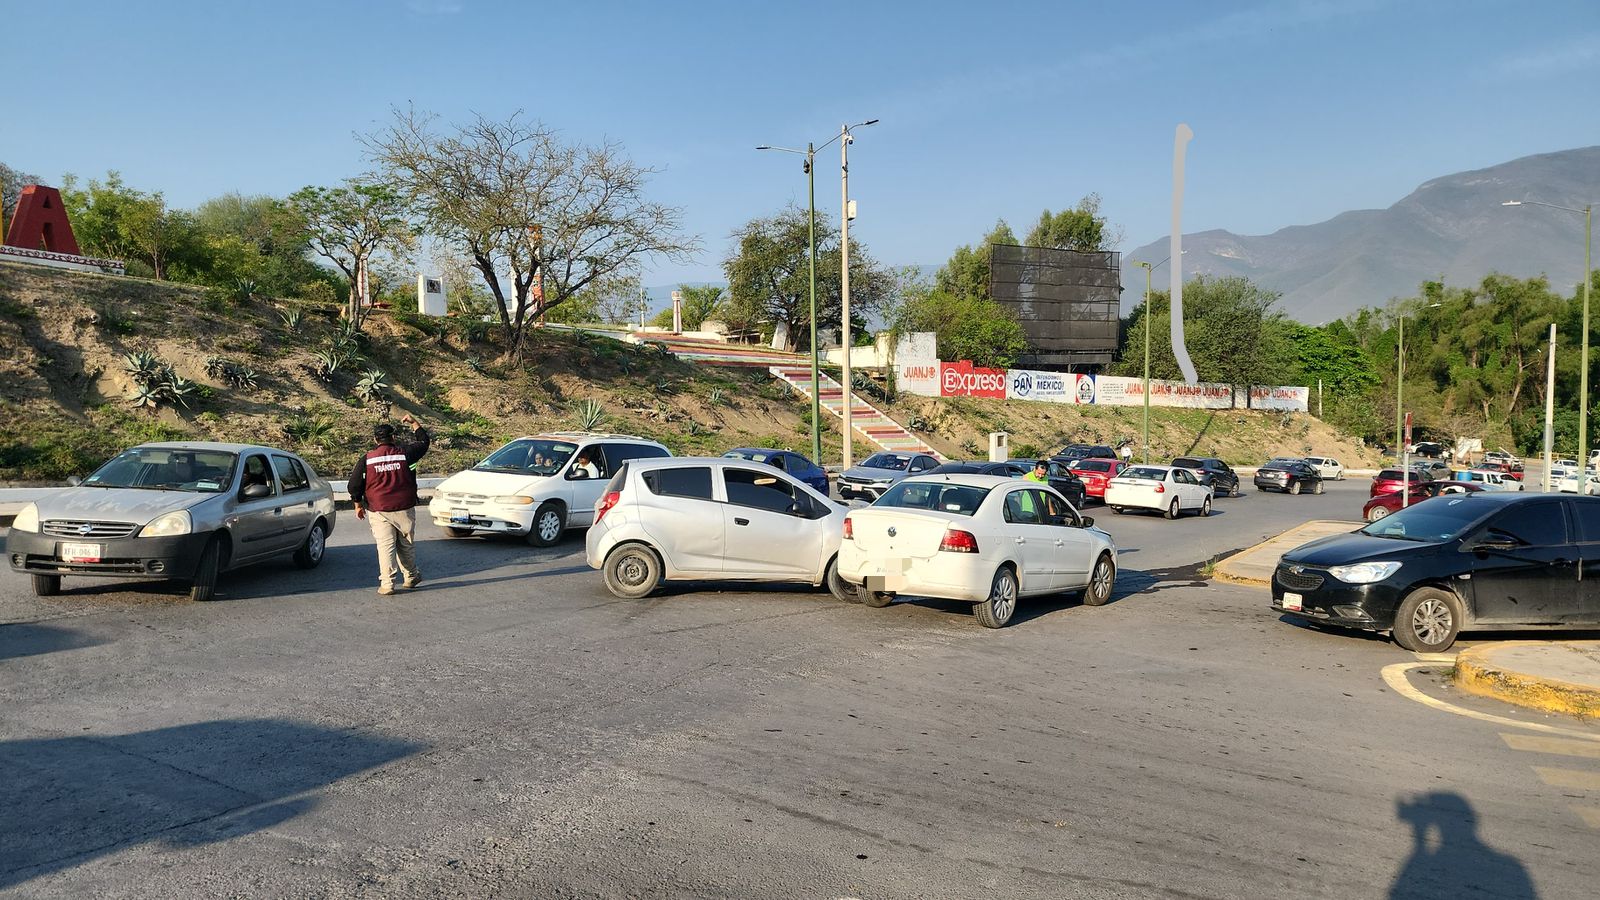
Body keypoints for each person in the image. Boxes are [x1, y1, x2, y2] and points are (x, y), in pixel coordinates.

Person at [349, 413, 431, 596]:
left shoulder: (367, 459)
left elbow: (354, 484)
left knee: (385, 546)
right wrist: (414, 423)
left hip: (379, 509)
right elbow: (424, 442)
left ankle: (387, 584)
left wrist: (357, 503)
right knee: (406, 544)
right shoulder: (405, 454)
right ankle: (410, 577)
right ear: (393, 438)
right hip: (404, 507)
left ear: (375, 440)